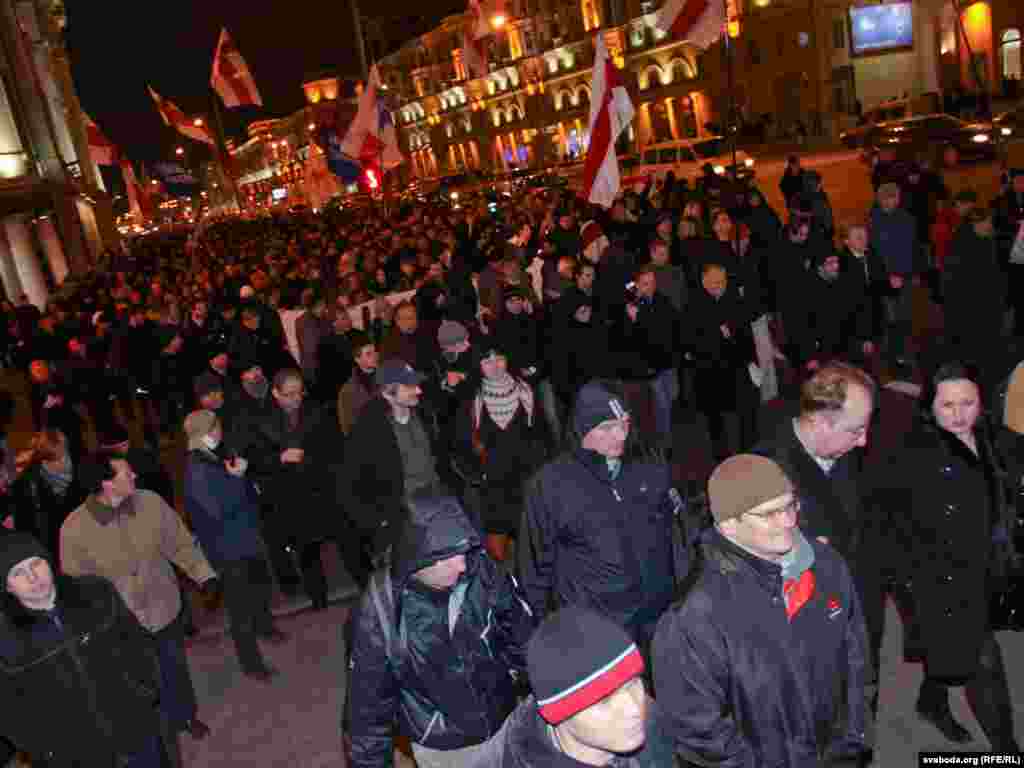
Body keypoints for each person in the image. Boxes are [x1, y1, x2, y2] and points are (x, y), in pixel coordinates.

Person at [653, 454, 868, 768]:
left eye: (790, 505)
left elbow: (856, 658)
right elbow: (699, 731)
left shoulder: (827, 565)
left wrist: (855, 738)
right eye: (769, 514)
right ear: (728, 524)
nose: (788, 522)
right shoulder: (694, 616)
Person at [863, 363, 1019, 750]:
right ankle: (1007, 752)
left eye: (967, 403)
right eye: (946, 404)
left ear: (981, 402)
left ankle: (931, 701)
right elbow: (884, 518)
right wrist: (904, 580)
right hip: (938, 575)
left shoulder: (996, 440)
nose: (958, 413)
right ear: (930, 406)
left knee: (949, 651)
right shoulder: (910, 452)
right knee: (983, 662)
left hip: (989, 563)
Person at [346, 494, 535, 768]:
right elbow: (367, 713)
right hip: (446, 749)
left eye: (462, 553)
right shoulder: (380, 611)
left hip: (505, 722)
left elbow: (523, 636)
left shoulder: (481, 569)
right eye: (447, 558)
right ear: (417, 559)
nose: (461, 565)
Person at [59, 452, 218, 742]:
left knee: (174, 668)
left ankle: (185, 715)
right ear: (107, 483)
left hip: (163, 607)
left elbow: (180, 543)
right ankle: (156, 731)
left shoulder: (150, 503)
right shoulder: (74, 529)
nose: (134, 476)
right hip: (121, 623)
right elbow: (75, 587)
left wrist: (204, 575)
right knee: (140, 681)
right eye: (126, 472)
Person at [520, 380, 683, 652]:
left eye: (625, 423)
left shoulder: (649, 467)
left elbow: (676, 540)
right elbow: (535, 565)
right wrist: (544, 632)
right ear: (583, 429)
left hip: (657, 621)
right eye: (607, 427)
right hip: (598, 629)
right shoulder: (550, 485)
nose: (620, 435)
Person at [0, 533, 167, 767]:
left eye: (36, 563)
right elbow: (9, 710)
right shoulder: (6, 638)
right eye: (18, 573)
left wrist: (147, 690)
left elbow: (138, 644)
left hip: (135, 729)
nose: (33, 577)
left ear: (48, 561)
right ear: (7, 586)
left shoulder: (96, 593)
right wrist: (47, 750)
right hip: (78, 756)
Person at [465, 606, 676, 768]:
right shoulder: (510, 759)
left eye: (632, 683)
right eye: (603, 700)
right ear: (558, 714)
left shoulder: (652, 722)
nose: (634, 708)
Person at [183, 410, 286, 682]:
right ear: (205, 433)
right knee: (239, 608)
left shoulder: (211, 456)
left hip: (244, 539)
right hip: (228, 549)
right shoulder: (197, 469)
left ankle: (264, 626)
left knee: (258, 588)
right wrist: (238, 479)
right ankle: (251, 664)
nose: (219, 431)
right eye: (215, 427)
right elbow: (217, 510)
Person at [343, 359, 450, 577]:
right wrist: (377, 522)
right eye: (409, 386)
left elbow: (441, 460)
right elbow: (352, 483)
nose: (418, 390)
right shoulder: (368, 428)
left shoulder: (425, 414)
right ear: (388, 392)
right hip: (400, 520)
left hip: (437, 508)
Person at [242, 368, 338, 610]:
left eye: (299, 393)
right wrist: (280, 458)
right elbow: (253, 462)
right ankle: (309, 594)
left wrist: (313, 458)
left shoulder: (314, 411)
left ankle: (328, 594)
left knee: (320, 544)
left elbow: (331, 447)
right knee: (298, 548)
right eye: (289, 394)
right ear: (275, 393)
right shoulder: (259, 420)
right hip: (284, 494)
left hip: (315, 486)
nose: (296, 399)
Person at [456, 347, 542, 561]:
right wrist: (477, 472)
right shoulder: (471, 397)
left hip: (524, 478)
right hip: (492, 482)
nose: (495, 365)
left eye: (500, 359)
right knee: (497, 548)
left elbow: (540, 435)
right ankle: (500, 585)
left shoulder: (526, 391)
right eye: (487, 361)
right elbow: (461, 441)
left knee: (530, 542)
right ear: (479, 366)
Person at [685, 264, 758, 462]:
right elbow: (690, 339)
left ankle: (748, 450)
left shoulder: (734, 298)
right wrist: (717, 333)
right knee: (715, 417)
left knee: (746, 409)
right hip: (709, 369)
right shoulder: (693, 303)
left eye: (723, 282)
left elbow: (745, 329)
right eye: (715, 282)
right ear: (703, 282)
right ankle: (721, 457)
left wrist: (751, 358)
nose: (720, 286)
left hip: (736, 364)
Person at [8, 429, 85, 559]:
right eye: (58, 459)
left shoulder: (81, 466)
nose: (66, 462)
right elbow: (28, 529)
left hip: (80, 540)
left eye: (66, 454)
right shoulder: (25, 487)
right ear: (44, 462)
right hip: (54, 549)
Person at [869, 182, 919, 372]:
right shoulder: (875, 220)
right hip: (885, 279)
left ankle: (900, 354)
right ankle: (892, 357)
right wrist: (887, 275)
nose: (891, 202)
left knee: (903, 318)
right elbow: (876, 253)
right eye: (887, 198)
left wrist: (909, 273)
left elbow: (911, 248)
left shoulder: (907, 218)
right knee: (890, 319)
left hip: (903, 277)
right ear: (880, 200)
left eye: (894, 198)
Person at [338, 332, 379, 436]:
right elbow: (346, 426)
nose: (375, 356)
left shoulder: (388, 378)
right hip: (364, 437)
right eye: (369, 353)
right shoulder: (347, 390)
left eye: (375, 352)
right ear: (357, 359)